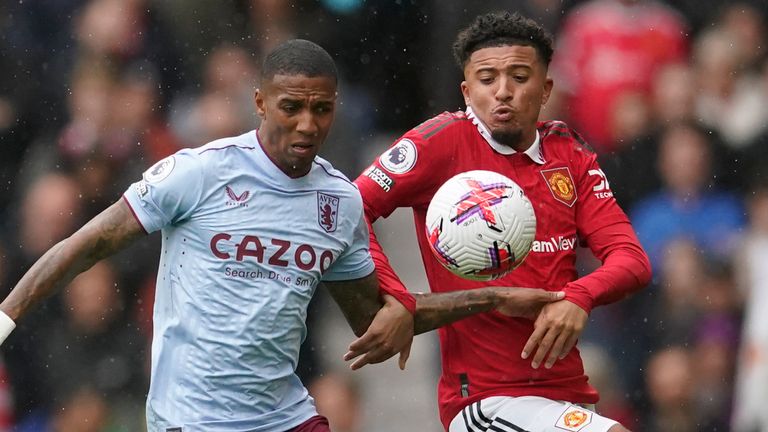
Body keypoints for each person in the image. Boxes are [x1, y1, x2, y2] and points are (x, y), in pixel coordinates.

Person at [0, 39, 563, 431]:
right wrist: (6, 316)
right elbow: (84, 246)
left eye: (321, 110)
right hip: (193, 418)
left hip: (286, 416)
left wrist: (495, 297)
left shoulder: (338, 201)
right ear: (260, 102)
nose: (307, 124)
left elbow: (375, 320)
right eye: (291, 107)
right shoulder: (198, 173)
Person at [350, 12, 652, 432]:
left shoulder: (570, 156)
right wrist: (395, 295)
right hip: (485, 400)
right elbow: (347, 209)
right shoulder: (438, 143)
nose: (503, 92)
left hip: (565, 390)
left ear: (546, 88)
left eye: (519, 77)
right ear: (466, 90)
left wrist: (580, 296)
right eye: (487, 79)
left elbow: (631, 259)